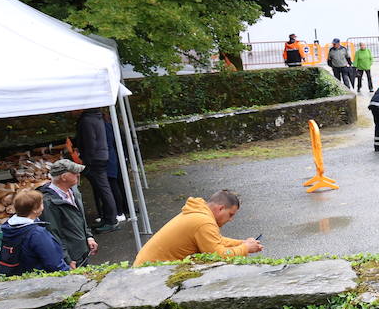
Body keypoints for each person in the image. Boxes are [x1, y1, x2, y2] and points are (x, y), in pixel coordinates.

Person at [133, 189, 263, 265]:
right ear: (220, 208)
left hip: (147, 266)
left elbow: (216, 241)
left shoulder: (200, 213)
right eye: (230, 214)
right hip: (149, 272)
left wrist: (242, 243)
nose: (231, 219)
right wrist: (245, 248)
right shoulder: (203, 222)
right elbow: (218, 255)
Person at [37, 160, 97, 269]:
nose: (78, 175)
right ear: (64, 177)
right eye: (74, 173)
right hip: (72, 258)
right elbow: (53, 233)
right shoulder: (48, 202)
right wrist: (66, 259)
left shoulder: (73, 191)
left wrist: (89, 236)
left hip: (82, 252)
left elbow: (80, 217)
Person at [0, 190, 71, 276]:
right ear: (35, 210)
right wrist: (70, 274)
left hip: (18, 281)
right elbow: (54, 264)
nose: (43, 206)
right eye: (42, 204)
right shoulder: (37, 234)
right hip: (40, 282)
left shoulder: (9, 227)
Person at [75, 109, 119, 232]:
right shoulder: (96, 117)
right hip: (100, 156)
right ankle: (108, 218)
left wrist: (85, 162)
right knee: (103, 189)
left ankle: (111, 220)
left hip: (95, 159)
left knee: (103, 189)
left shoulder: (87, 120)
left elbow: (90, 143)